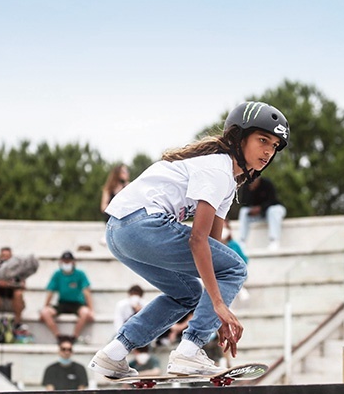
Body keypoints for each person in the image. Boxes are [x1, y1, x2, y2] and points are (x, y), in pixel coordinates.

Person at [88, 101, 290, 378]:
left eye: (275, 146)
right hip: (141, 225)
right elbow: (198, 241)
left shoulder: (228, 181)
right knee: (236, 267)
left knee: (189, 294)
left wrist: (215, 308)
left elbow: (213, 247)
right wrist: (218, 306)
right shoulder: (218, 169)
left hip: (118, 232)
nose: (268, 151)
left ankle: (114, 353)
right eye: (263, 140)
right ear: (238, 137)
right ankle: (189, 351)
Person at [40, 251, 94, 343]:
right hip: (62, 303)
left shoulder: (80, 274)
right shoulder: (57, 274)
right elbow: (50, 291)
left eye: (68, 261)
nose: (67, 263)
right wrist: (45, 306)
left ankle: (74, 337)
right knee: (45, 312)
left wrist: (91, 309)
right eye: (65, 261)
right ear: (61, 262)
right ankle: (59, 337)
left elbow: (86, 291)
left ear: (73, 262)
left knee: (85, 312)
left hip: (77, 304)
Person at [237, 176, 286, 252]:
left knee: (272, 211)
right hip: (259, 215)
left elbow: (272, 200)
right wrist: (251, 191)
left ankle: (274, 240)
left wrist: (261, 208)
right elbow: (244, 203)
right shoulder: (246, 186)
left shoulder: (267, 183)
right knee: (243, 211)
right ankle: (242, 242)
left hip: (274, 210)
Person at [0, 246, 26, 332]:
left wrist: (9, 284)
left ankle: (17, 323)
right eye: (4, 257)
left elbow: (22, 284)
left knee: (18, 294)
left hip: (12, 295)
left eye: (8, 257)